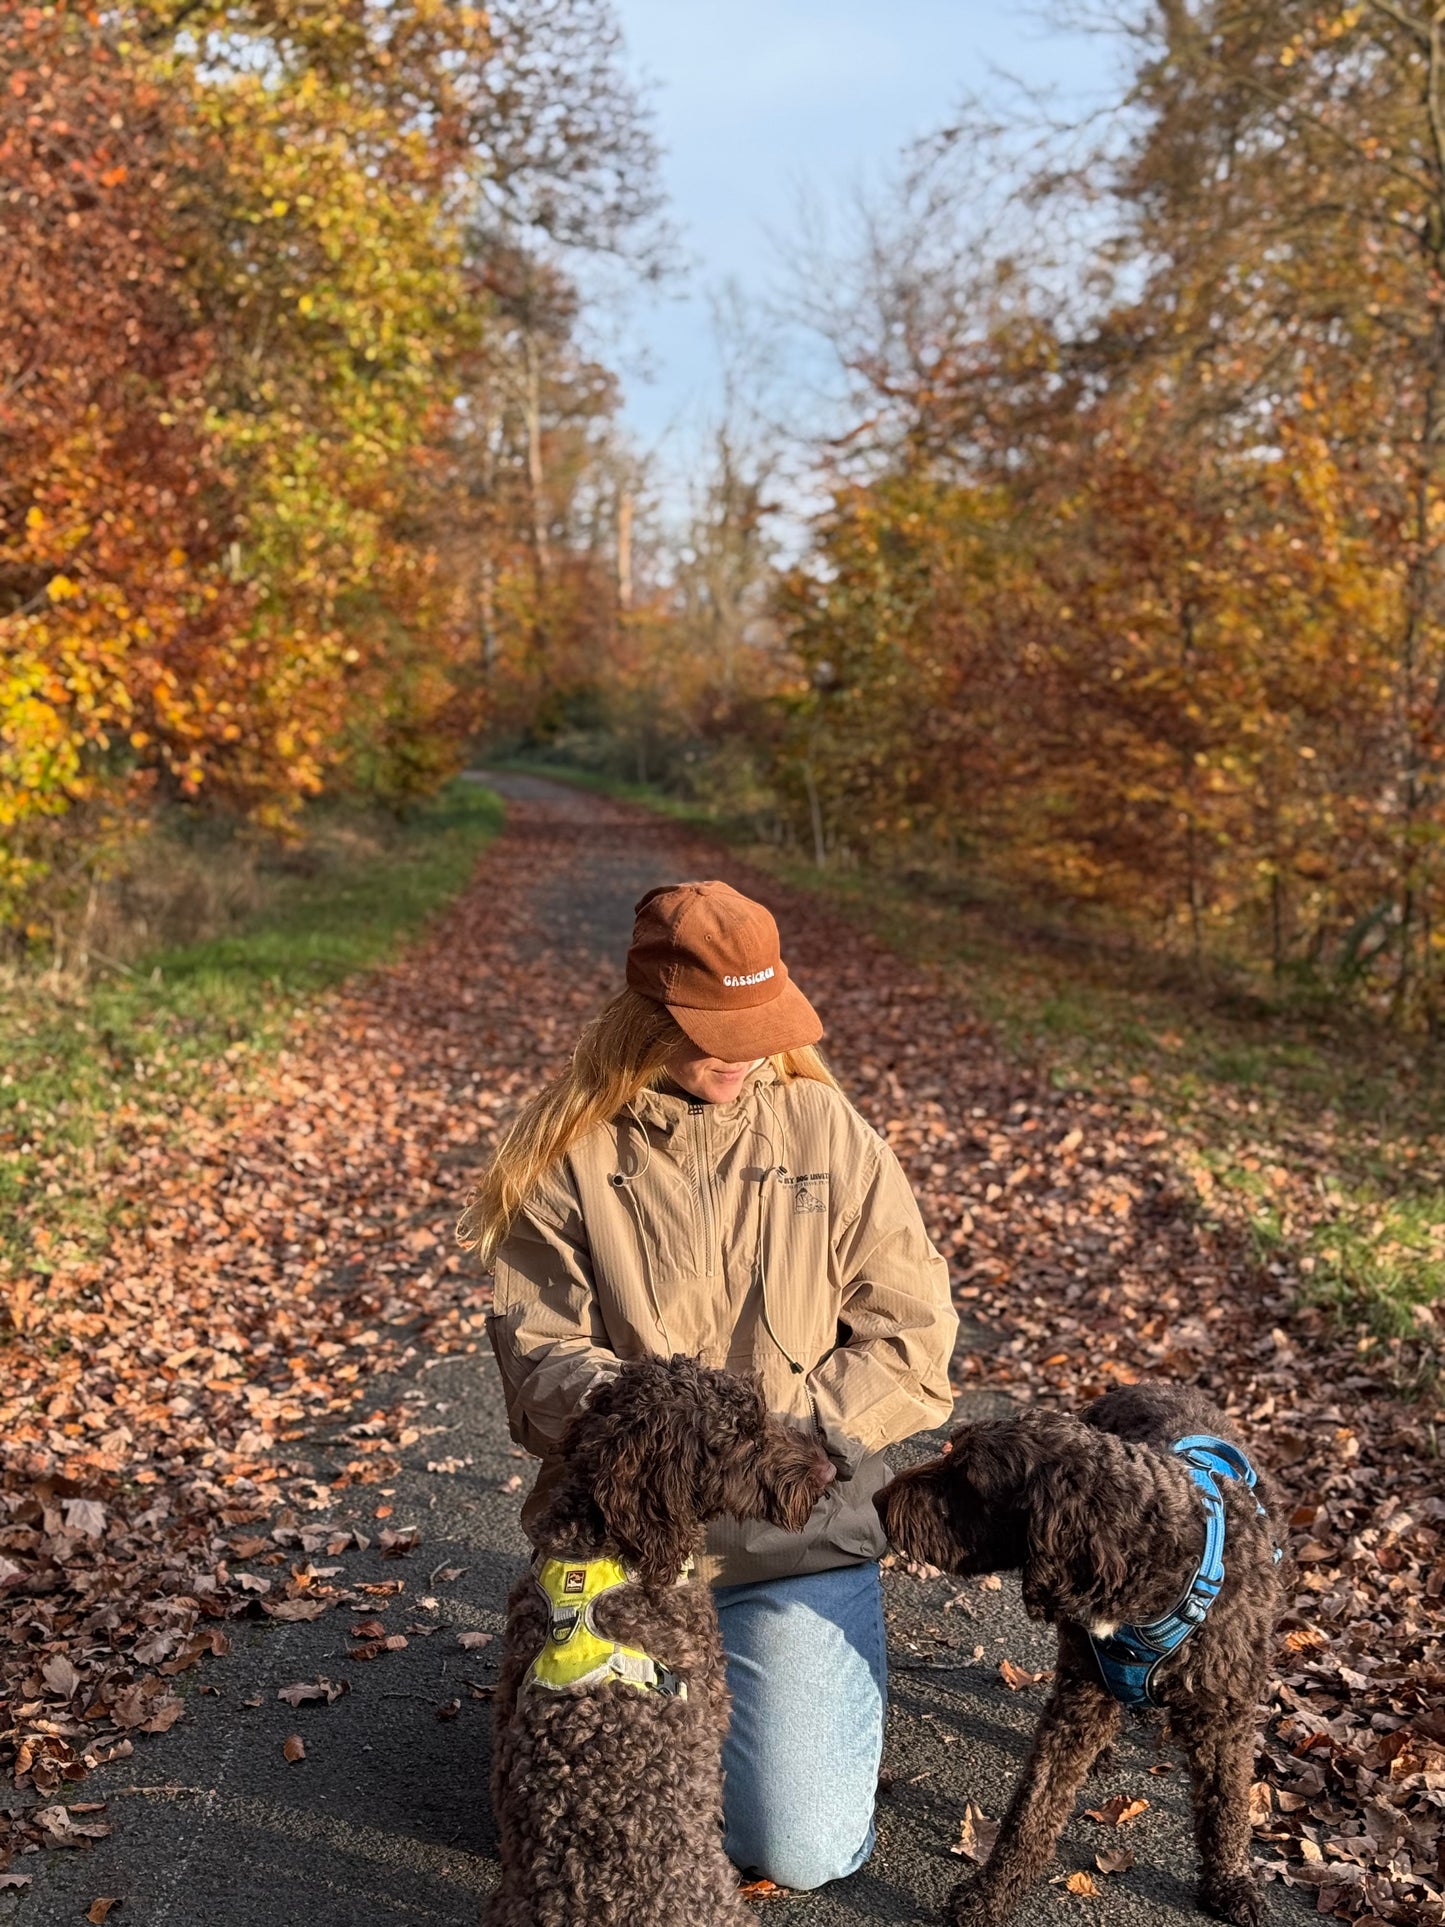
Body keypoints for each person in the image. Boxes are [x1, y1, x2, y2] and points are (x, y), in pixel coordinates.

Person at [463, 879, 957, 1892]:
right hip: (623, 1548)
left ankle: (779, 1719)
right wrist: (660, 1441)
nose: (739, 1050)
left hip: (793, 1542)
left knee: (796, 1848)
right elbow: (541, 1354)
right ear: (646, 1013)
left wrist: (768, 1446)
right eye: (711, 1029)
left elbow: (914, 1339)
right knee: (572, 1826)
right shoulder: (567, 1153)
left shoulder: (829, 1133)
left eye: (755, 1024)